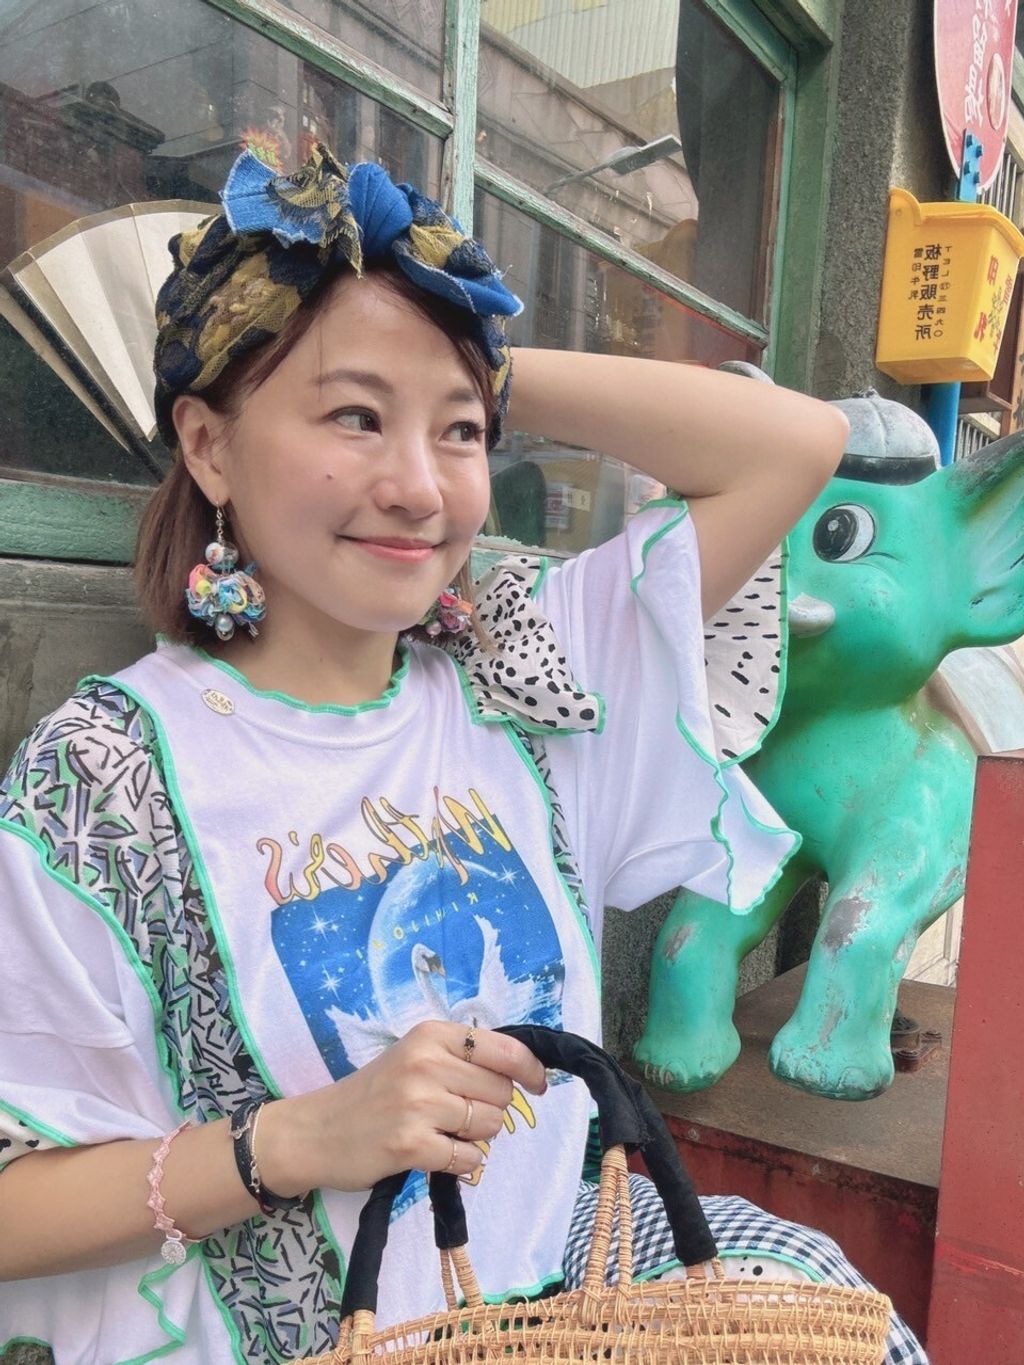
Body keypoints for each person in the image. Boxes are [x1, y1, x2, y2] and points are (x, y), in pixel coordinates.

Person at [0, 144, 926, 1364]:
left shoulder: (522, 674)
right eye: (354, 415)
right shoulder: (105, 781)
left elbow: (792, 443)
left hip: (567, 1314)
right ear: (210, 446)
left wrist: (461, 347)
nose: (419, 488)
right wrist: (296, 1140)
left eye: (460, 434)